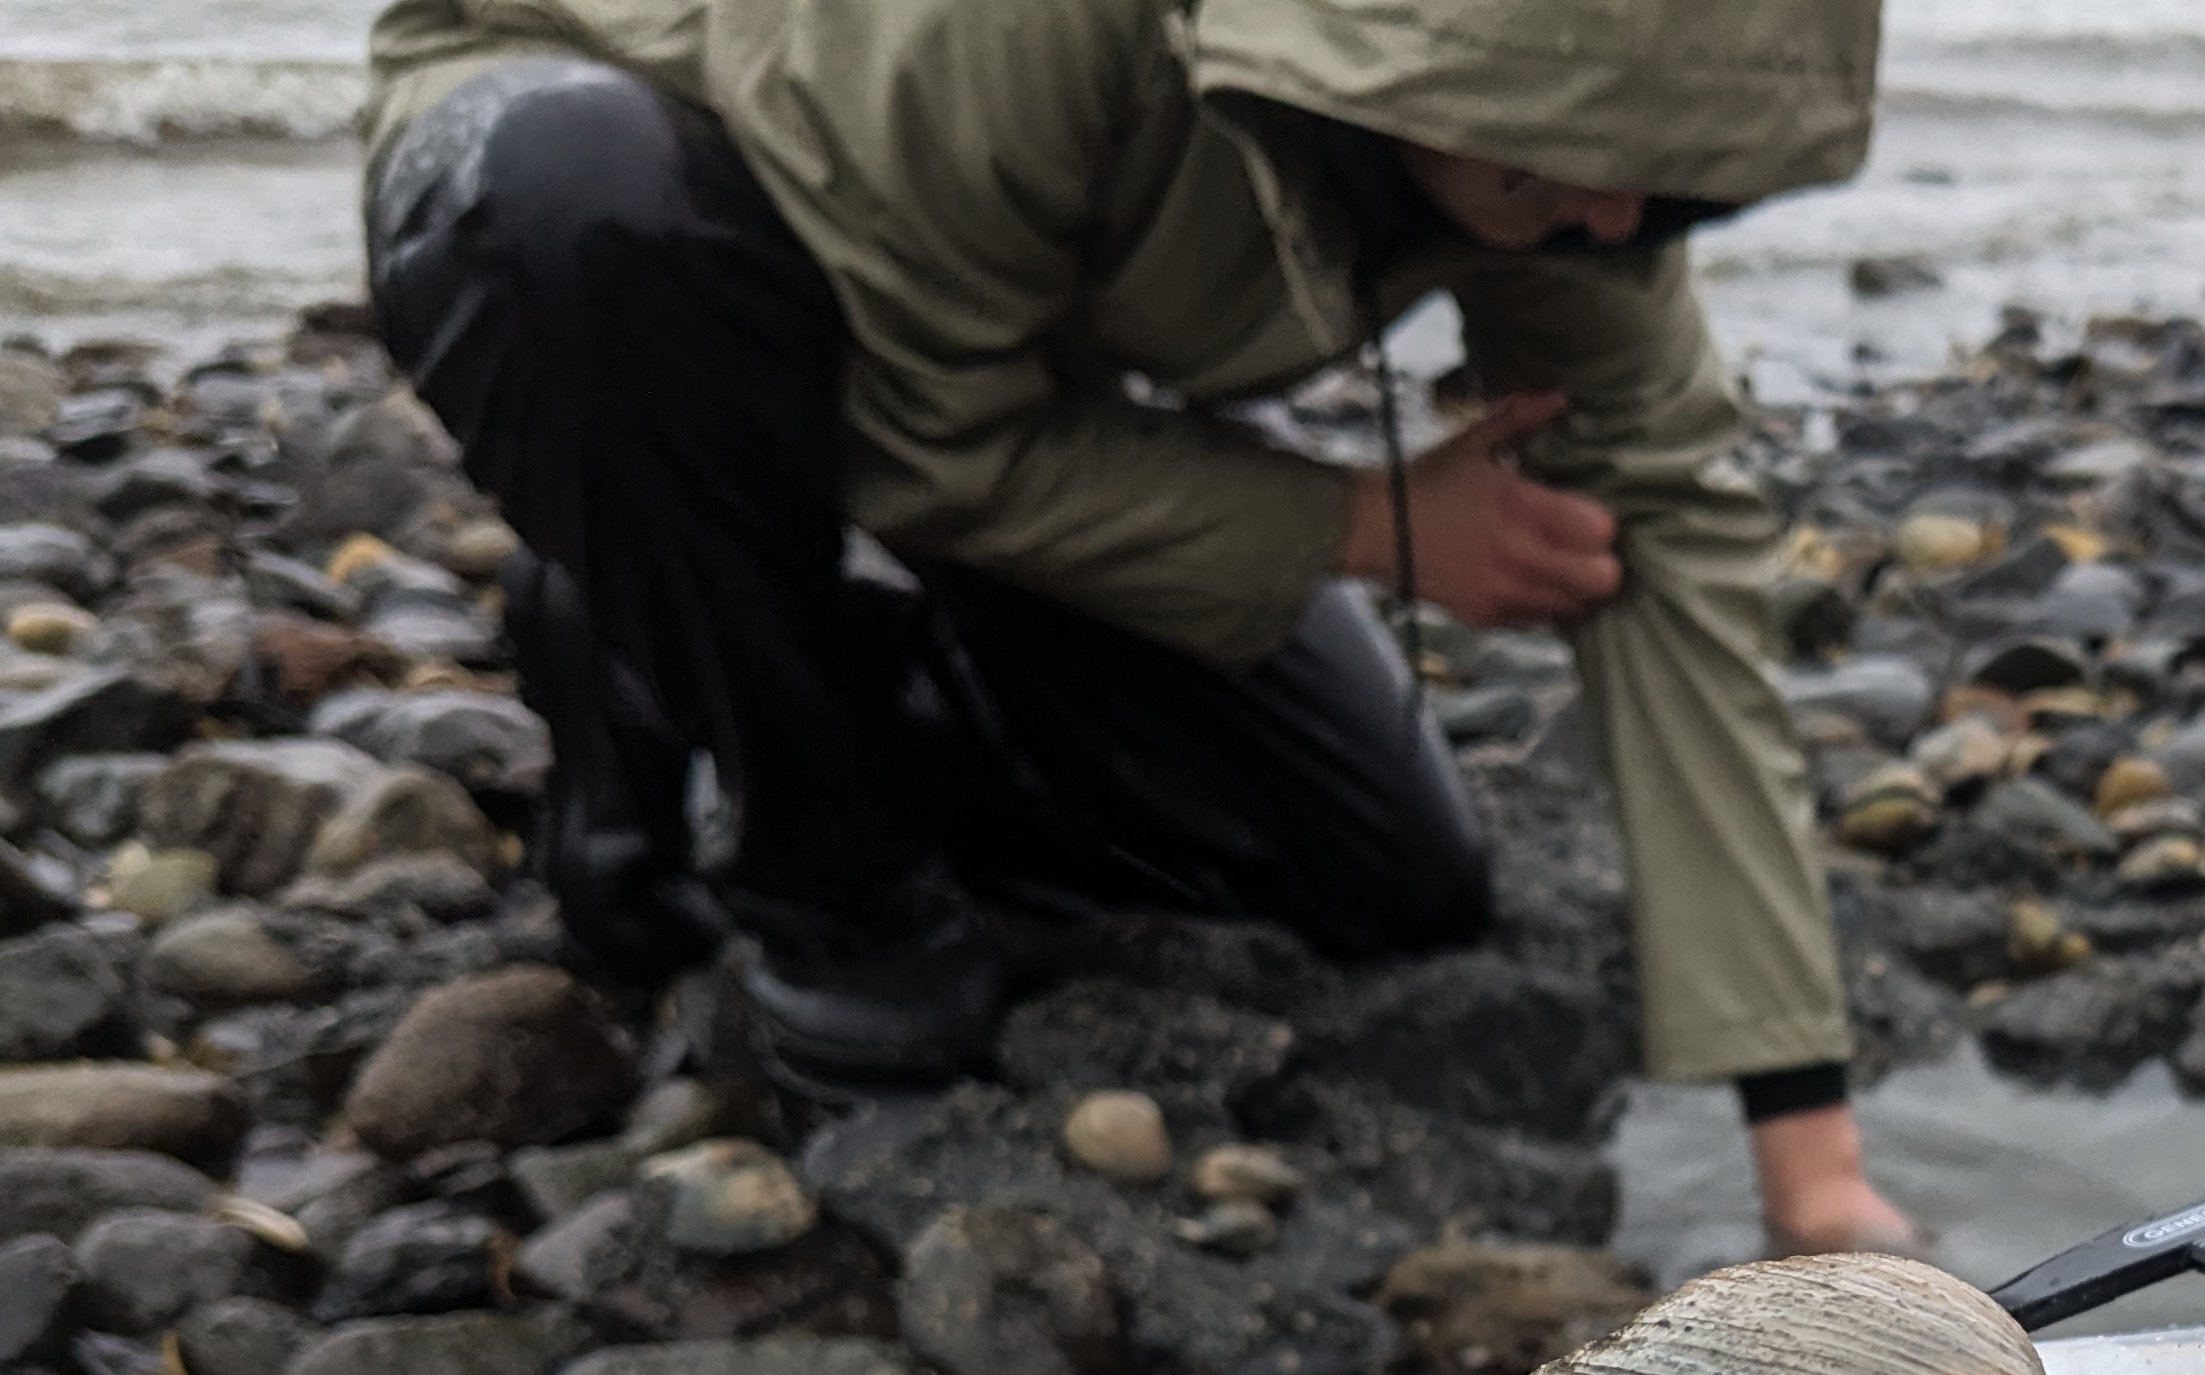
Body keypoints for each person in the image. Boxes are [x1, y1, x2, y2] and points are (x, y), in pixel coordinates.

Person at [356, 0, 1913, 1252]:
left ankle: (794, 660)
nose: (1616, 207)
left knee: (1390, 880)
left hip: (990, 373)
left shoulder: (1583, 166)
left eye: (1668, 175)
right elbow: (926, 448)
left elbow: (1665, 542)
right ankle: (788, 812)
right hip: (640, 215)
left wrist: (1813, 1161)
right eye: (1550, 165)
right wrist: (1365, 526)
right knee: (573, 203)